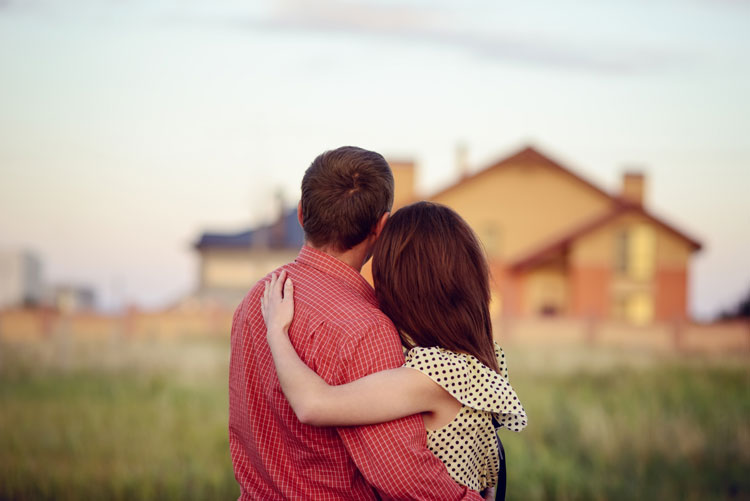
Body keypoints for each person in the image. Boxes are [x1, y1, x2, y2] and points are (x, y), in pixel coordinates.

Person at [228, 147, 483, 500]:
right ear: (381, 227)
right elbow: (401, 475)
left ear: (302, 214)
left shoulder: (257, 300)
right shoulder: (367, 329)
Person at [261, 201, 527, 499]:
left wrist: (277, 332)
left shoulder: (432, 375)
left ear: (400, 283)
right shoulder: (477, 361)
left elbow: (313, 404)